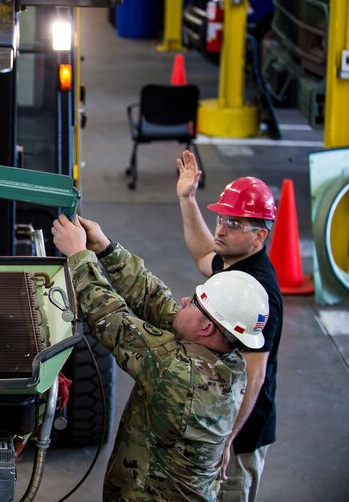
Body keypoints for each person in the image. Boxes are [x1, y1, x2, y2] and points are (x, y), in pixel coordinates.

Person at [51, 213, 270, 500]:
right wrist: (105, 248)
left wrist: (79, 255)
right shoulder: (229, 361)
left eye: (194, 304)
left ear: (206, 327)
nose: (184, 301)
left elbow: (111, 319)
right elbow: (158, 301)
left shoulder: (179, 374)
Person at [177, 149, 283, 502]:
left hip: (240, 438)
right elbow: (203, 256)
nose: (220, 229)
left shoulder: (259, 291)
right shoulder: (235, 263)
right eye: (222, 218)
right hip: (220, 424)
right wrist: (187, 198)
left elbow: (255, 375)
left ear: (259, 237)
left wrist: (228, 439)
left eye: (233, 224)